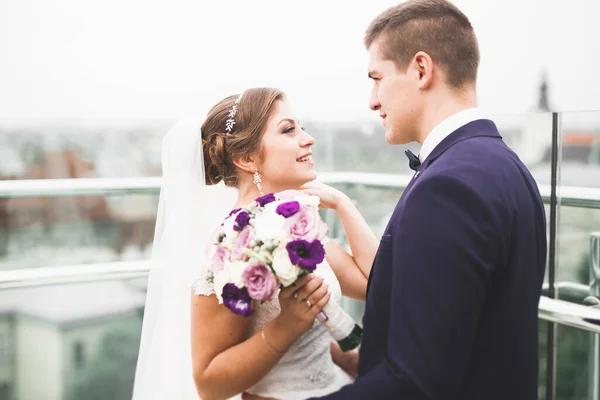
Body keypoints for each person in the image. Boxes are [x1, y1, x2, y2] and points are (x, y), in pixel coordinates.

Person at [132, 87, 379, 400]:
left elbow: (376, 283)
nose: (308, 138)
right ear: (247, 158)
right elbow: (209, 384)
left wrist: (343, 204)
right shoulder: (232, 246)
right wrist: (287, 325)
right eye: (289, 130)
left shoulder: (294, 226)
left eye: (300, 127)